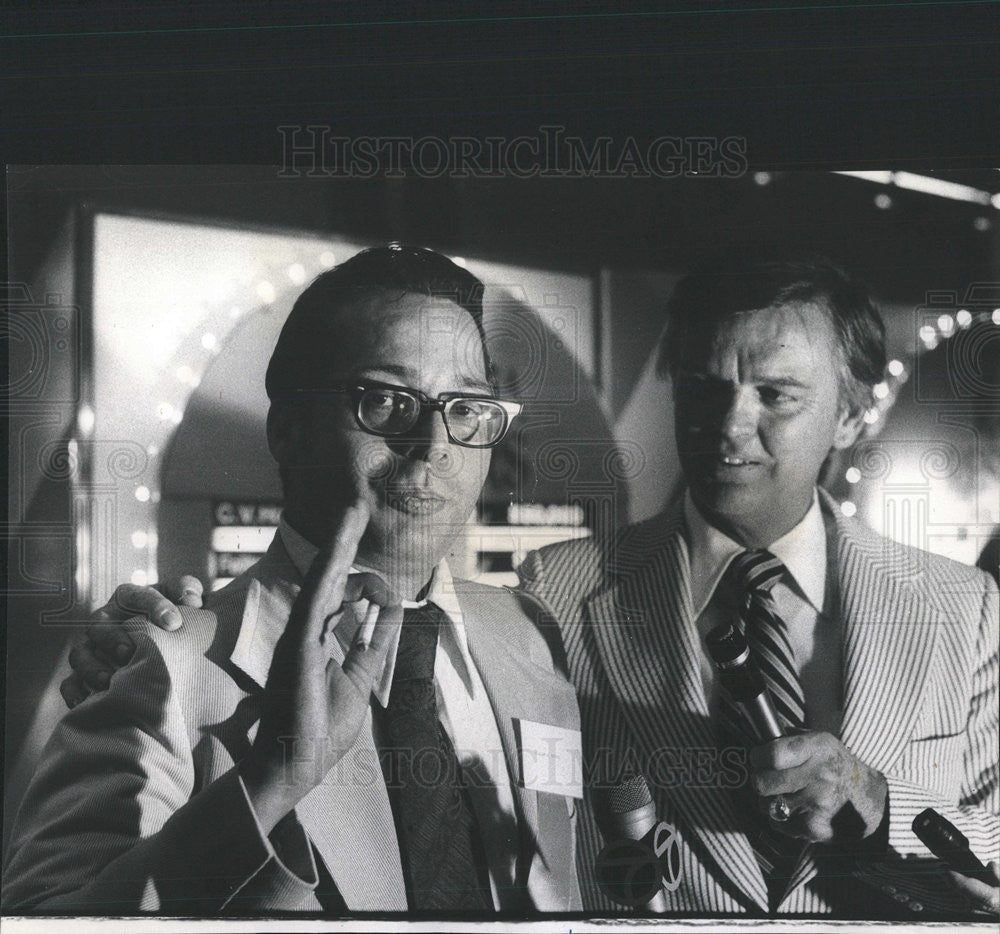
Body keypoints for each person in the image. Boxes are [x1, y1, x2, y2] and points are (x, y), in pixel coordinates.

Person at [59, 257, 999, 918]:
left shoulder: (963, 606)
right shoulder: (564, 595)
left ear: (848, 409)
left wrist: (882, 801)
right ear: (289, 430)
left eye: (778, 395)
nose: (729, 426)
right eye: (385, 401)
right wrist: (259, 773)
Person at [3, 245, 583, 915]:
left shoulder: (531, 634)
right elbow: (45, 918)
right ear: (288, 431)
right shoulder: (164, 663)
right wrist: (268, 783)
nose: (433, 445)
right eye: (387, 401)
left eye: (465, 408)